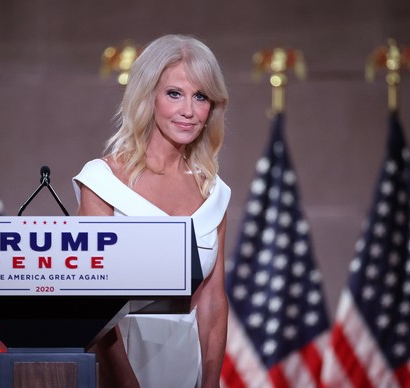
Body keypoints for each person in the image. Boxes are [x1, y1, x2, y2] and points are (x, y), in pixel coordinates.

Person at [73, 34, 231, 388]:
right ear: (149, 96)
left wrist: (210, 382)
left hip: (186, 365)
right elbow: (91, 298)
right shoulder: (103, 182)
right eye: (175, 94)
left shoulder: (214, 192)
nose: (189, 111)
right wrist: (126, 382)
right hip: (119, 363)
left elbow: (213, 300)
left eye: (200, 96)